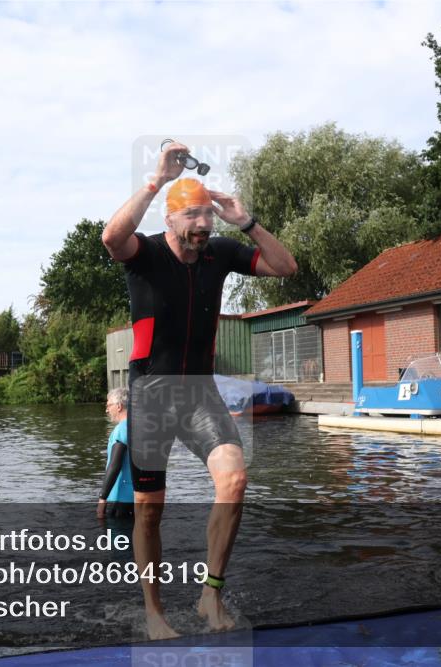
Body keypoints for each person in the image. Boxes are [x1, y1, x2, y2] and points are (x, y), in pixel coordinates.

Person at [101, 141, 297, 639]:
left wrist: (246, 221)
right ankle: (154, 613)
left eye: (207, 216)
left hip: (199, 393)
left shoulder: (220, 252)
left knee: (234, 481)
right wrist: (156, 181)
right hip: (151, 394)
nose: (203, 225)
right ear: (170, 219)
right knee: (149, 511)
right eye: (192, 216)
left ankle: (211, 593)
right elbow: (111, 237)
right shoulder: (145, 253)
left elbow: (285, 268)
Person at [97, 387, 134, 521]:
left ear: (119, 406)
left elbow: (115, 465)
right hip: (139, 496)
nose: (107, 410)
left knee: (116, 533)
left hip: (120, 498)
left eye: (108, 405)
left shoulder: (121, 429)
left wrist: (102, 498)